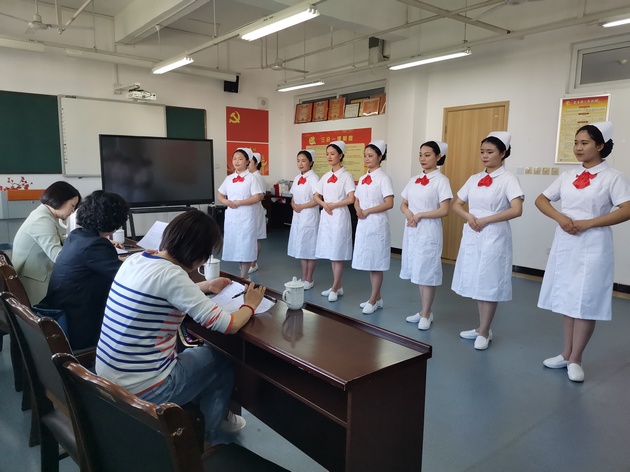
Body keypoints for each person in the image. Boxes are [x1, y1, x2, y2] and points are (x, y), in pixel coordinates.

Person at [95, 210, 267, 445]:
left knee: (198, 357)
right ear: (199, 254)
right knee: (222, 360)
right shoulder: (173, 276)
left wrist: (207, 285)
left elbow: (164, 292)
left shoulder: (136, 259)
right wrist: (250, 304)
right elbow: (230, 325)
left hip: (107, 378)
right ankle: (208, 439)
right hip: (145, 390)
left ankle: (208, 417)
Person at [536, 121, 630, 382]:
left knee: (586, 300)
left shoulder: (613, 177)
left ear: (600, 146)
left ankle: (577, 358)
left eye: (584, 143)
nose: (578, 148)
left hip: (594, 243)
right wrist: (560, 218)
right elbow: (541, 200)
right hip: (566, 242)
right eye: (576, 143)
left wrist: (589, 223)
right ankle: (566, 354)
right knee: (568, 297)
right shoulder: (568, 176)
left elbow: (627, 209)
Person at [451, 131, 524, 350]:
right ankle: (482, 327)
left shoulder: (509, 179)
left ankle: (484, 330)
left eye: (490, 152)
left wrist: (486, 220)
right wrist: (469, 217)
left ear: (503, 153)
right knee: (477, 279)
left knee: (489, 281)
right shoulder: (474, 178)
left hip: (494, 234)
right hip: (474, 233)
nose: (485, 155)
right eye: (482, 151)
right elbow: (456, 204)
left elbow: (516, 209)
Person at [38, 191, 129, 350]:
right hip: (79, 324)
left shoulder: (76, 235)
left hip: (61, 313)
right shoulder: (96, 245)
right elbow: (127, 277)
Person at [401, 141, 453, 329]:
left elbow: (444, 210)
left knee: (428, 271)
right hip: (412, 228)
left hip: (429, 229)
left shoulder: (441, 181)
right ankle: (423, 311)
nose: (423, 158)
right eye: (421, 154)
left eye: (428, 155)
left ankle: (426, 313)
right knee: (418, 270)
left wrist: (420, 215)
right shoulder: (414, 179)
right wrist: (409, 214)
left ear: (438, 157)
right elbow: (403, 203)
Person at [12, 181, 81, 304]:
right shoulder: (42, 220)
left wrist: (90, 243)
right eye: (72, 205)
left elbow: (62, 241)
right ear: (60, 200)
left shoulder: (44, 215)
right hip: (34, 288)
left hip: (34, 278)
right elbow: (59, 257)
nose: (73, 211)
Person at [352, 140, 394, 314]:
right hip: (364, 223)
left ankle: (373, 299)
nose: (367, 158)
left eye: (370, 155)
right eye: (365, 156)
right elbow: (356, 199)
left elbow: (389, 203)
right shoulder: (363, 178)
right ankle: (378, 298)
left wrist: (368, 210)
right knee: (370, 261)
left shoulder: (384, 178)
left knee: (376, 263)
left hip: (377, 224)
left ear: (380, 157)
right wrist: (358, 209)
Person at [314, 141, 355, 302]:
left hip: (339, 216)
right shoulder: (325, 176)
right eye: (327, 154)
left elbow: (351, 198)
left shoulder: (346, 176)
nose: (329, 157)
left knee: (338, 253)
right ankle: (338, 286)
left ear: (341, 155)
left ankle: (335, 287)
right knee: (332, 253)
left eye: (332, 154)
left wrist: (333, 205)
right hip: (327, 215)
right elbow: (316, 195)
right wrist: (324, 204)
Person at [217, 148, 264, 279]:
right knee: (236, 243)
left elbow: (257, 197)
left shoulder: (252, 178)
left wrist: (240, 202)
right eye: (234, 159)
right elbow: (220, 194)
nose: (236, 162)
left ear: (248, 161)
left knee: (246, 245)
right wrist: (226, 202)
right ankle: (241, 274)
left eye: (240, 159)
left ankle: (244, 276)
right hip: (232, 216)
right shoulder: (229, 178)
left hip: (247, 215)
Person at [287, 150, 320, 289]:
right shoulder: (297, 178)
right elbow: (293, 196)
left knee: (310, 247)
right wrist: (293, 204)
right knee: (301, 246)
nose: (300, 163)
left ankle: (309, 278)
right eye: (298, 160)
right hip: (298, 215)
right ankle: (303, 276)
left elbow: (317, 199)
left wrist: (301, 206)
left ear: (311, 162)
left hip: (310, 215)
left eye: (304, 160)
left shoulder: (314, 178)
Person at [248, 152, 267, 274]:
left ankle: (253, 263)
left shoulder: (257, 177)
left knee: (254, 238)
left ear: (256, 163)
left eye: (249, 162)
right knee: (249, 237)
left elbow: (261, 195)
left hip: (255, 210)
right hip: (248, 210)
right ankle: (248, 262)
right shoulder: (249, 176)